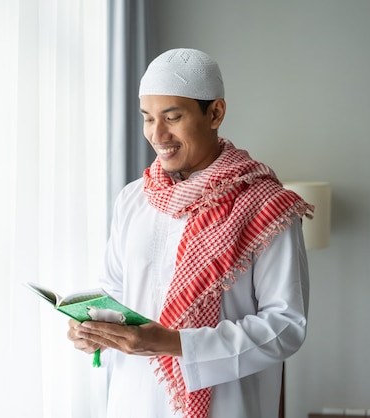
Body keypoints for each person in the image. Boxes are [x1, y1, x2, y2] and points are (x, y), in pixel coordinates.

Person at [67, 48, 312, 418]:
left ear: (215, 113)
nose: (157, 134)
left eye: (172, 117)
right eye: (147, 119)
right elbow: (114, 292)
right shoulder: (134, 198)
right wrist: (93, 328)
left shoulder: (265, 206)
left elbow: (285, 326)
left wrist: (175, 343)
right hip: (133, 401)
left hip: (227, 405)